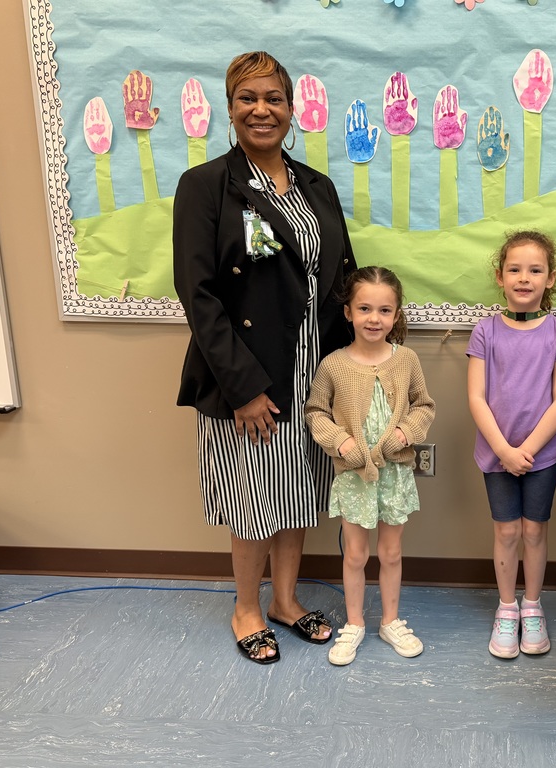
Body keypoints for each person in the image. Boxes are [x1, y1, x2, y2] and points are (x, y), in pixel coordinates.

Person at [173, 51, 356, 665]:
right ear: (229, 108)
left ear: (291, 108)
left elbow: (341, 277)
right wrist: (243, 386)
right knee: (253, 501)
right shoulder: (205, 186)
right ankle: (246, 608)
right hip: (249, 371)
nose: (261, 109)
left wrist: (357, 367)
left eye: (273, 98)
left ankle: (285, 600)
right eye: (247, 98)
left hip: (314, 369)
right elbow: (198, 295)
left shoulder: (317, 186)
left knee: (298, 490)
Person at [305, 267, 435, 666]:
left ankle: (391, 621)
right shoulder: (333, 365)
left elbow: (423, 406)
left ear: (396, 315)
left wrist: (405, 434)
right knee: (356, 554)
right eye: (364, 309)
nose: (374, 318)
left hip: (394, 474)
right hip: (354, 476)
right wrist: (340, 441)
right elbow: (315, 411)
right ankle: (355, 623)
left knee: (391, 552)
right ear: (348, 312)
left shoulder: (406, 360)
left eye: (384, 310)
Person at [466, 231, 556, 659]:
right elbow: (476, 398)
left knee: (534, 530)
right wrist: (505, 451)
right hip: (496, 454)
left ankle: (532, 607)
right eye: (514, 269)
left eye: (535, 270)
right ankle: (507, 608)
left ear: (551, 278)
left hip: (542, 456)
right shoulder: (485, 331)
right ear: (500, 276)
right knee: (507, 530)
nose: (524, 278)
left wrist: (526, 450)